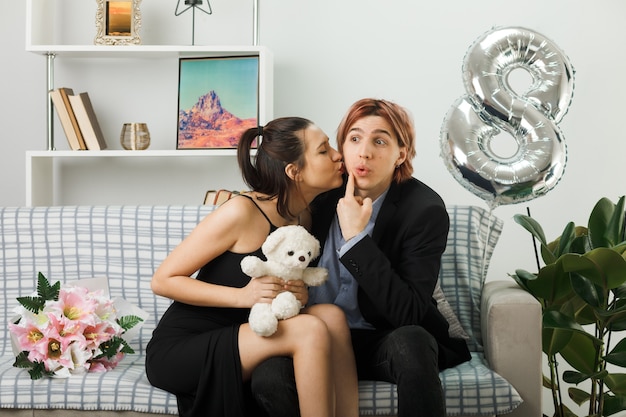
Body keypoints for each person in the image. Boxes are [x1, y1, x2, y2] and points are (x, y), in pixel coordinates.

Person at [251, 99, 471, 417]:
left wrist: (356, 241)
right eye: (354, 139)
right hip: (314, 336)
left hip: (381, 336)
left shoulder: (424, 211)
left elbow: (408, 312)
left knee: (412, 342)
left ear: (402, 153)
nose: (364, 152)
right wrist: (241, 197)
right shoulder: (321, 194)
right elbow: (275, 193)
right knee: (268, 375)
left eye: (379, 141)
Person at [145, 117, 359, 417]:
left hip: (248, 331)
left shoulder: (303, 218)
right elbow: (163, 280)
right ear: (294, 171)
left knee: (332, 317)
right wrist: (243, 297)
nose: (338, 155)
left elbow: (280, 290)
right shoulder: (241, 212)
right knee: (309, 329)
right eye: (324, 151)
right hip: (184, 349)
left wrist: (298, 293)